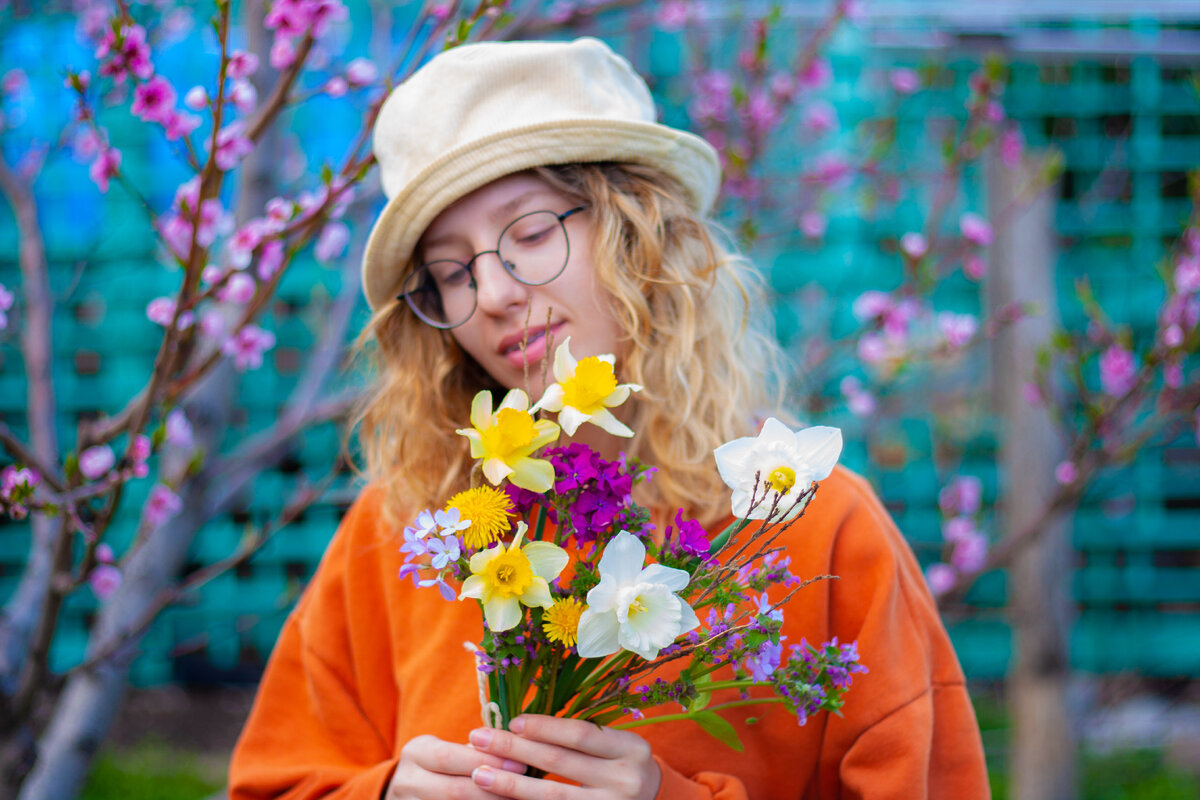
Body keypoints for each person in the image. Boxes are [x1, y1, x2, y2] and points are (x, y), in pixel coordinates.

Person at [228, 37, 989, 799]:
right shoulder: (409, 529)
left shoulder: (815, 527)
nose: (493, 294)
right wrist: (385, 793)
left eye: (530, 233)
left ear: (640, 233)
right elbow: (272, 784)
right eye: (451, 273)